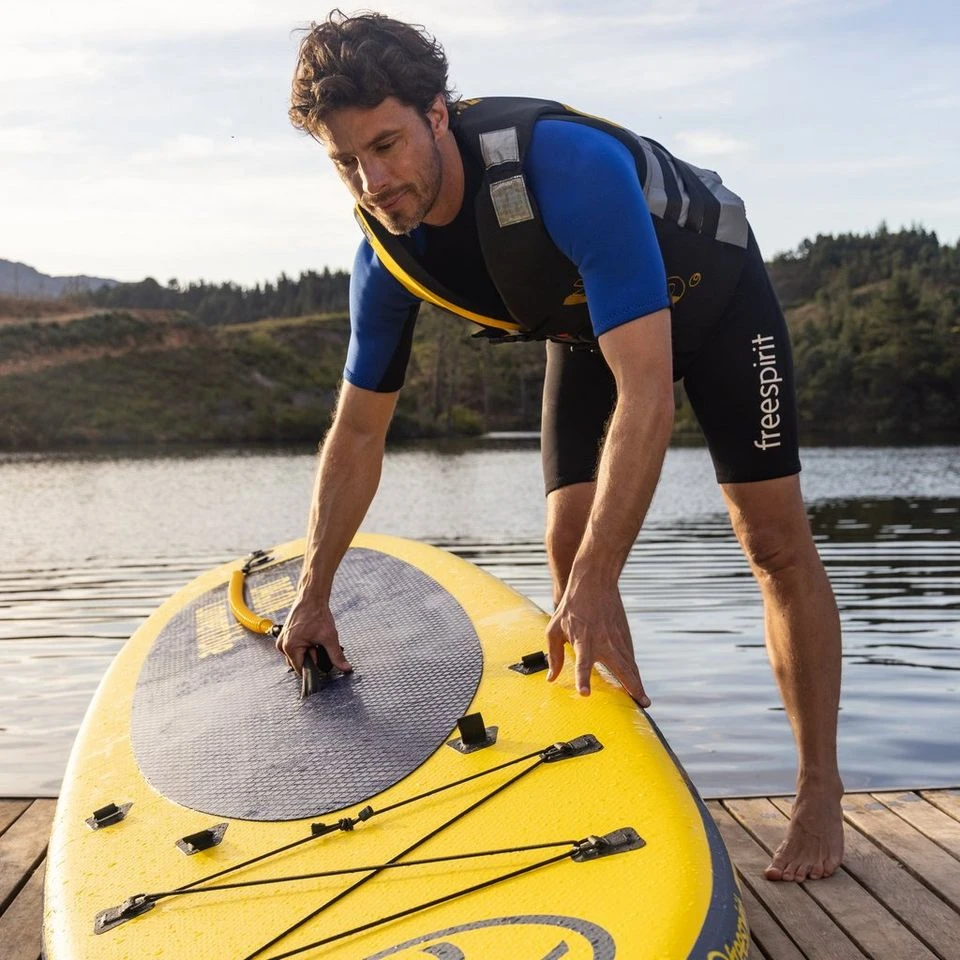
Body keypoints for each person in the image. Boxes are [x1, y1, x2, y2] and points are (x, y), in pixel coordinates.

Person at [278, 9, 845, 883]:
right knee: (566, 542)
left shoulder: (566, 167)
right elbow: (357, 432)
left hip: (717, 302)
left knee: (771, 540)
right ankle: (626, 770)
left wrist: (599, 580)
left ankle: (818, 787)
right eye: (346, 162)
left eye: (386, 145)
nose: (372, 181)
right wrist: (313, 592)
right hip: (587, 329)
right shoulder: (384, 255)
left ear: (438, 114)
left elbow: (647, 395)